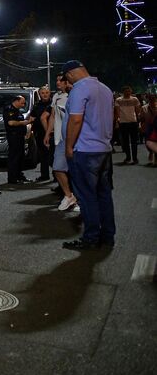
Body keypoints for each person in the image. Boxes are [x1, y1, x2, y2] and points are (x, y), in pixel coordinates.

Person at [62, 60, 116, 250]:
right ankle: (108, 236)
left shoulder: (79, 89)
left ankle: (91, 238)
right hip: (104, 149)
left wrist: (69, 146)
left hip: (85, 150)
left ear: (70, 75)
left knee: (87, 197)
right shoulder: (105, 89)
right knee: (104, 195)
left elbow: (76, 119)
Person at [44, 74, 76, 210]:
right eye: (56, 80)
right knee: (57, 167)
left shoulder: (74, 96)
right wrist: (47, 133)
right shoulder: (56, 96)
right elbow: (52, 116)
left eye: (60, 80)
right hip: (59, 138)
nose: (57, 83)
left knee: (75, 171)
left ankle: (78, 200)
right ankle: (69, 195)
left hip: (74, 138)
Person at [4, 95, 34, 184]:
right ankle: (12, 178)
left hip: (19, 136)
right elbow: (11, 122)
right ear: (16, 101)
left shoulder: (17, 110)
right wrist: (25, 122)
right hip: (14, 136)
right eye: (22, 103)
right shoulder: (9, 109)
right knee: (14, 157)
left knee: (20, 157)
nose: (23, 105)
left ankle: (19, 175)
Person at [30, 87, 53, 182]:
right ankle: (44, 175)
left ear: (50, 93)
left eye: (47, 92)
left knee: (53, 156)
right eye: (42, 93)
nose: (45, 94)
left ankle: (58, 177)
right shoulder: (37, 106)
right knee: (43, 156)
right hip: (40, 133)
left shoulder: (54, 104)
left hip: (52, 133)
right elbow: (32, 118)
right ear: (39, 94)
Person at [114, 86, 142, 165]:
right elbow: (117, 111)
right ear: (123, 92)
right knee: (125, 142)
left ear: (131, 91)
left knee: (134, 141)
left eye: (129, 91)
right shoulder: (118, 100)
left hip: (133, 121)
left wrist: (138, 121)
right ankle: (128, 157)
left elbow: (137, 110)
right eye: (126, 91)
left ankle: (135, 158)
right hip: (123, 122)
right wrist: (118, 120)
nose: (128, 93)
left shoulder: (134, 99)